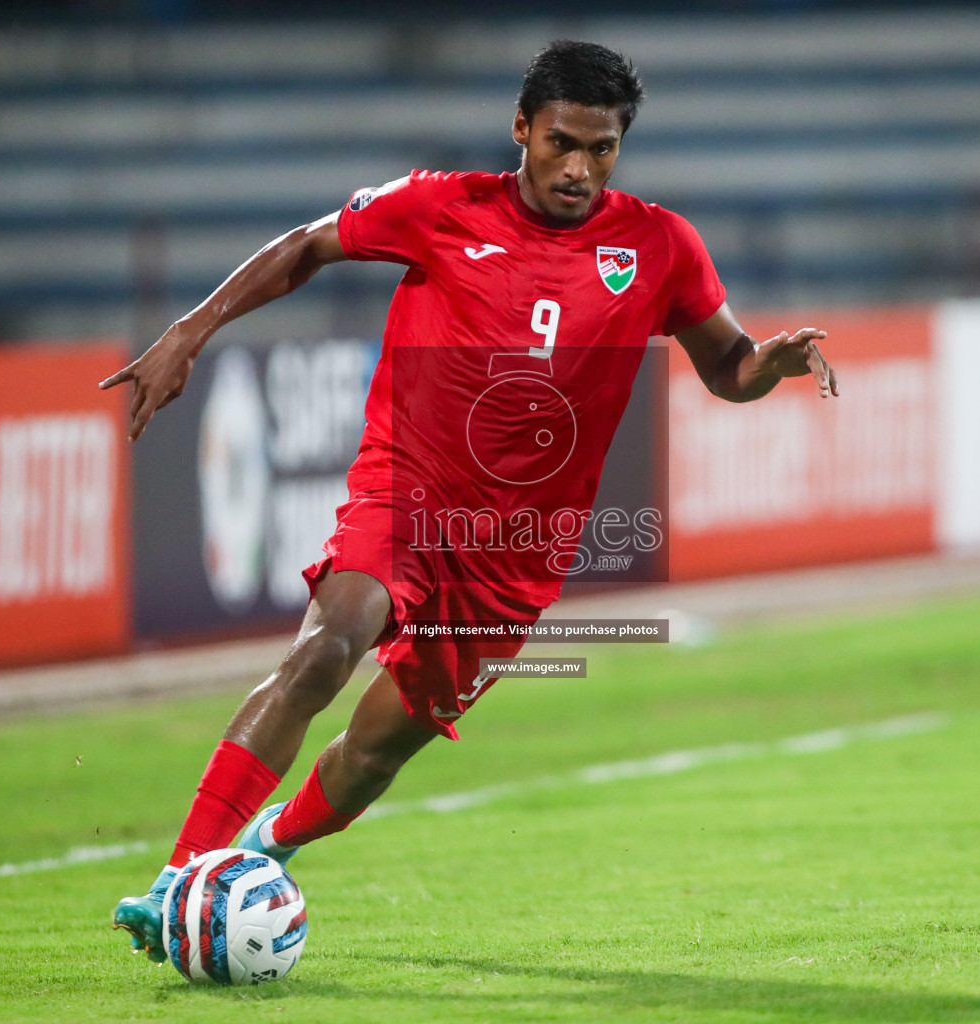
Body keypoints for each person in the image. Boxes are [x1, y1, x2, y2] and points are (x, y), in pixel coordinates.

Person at [104, 39, 838, 964]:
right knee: (327, 647)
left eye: (601, 150)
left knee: (375, 753)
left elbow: (726, 364)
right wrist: (188, 332)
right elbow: (306, 248)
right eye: (562, 143)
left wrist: (761, 367)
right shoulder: (443, 207)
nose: (578, 168)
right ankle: (179, 880)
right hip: (407, 492)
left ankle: (265, 849)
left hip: (518, 553)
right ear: (522, 129)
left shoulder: (658, 245)